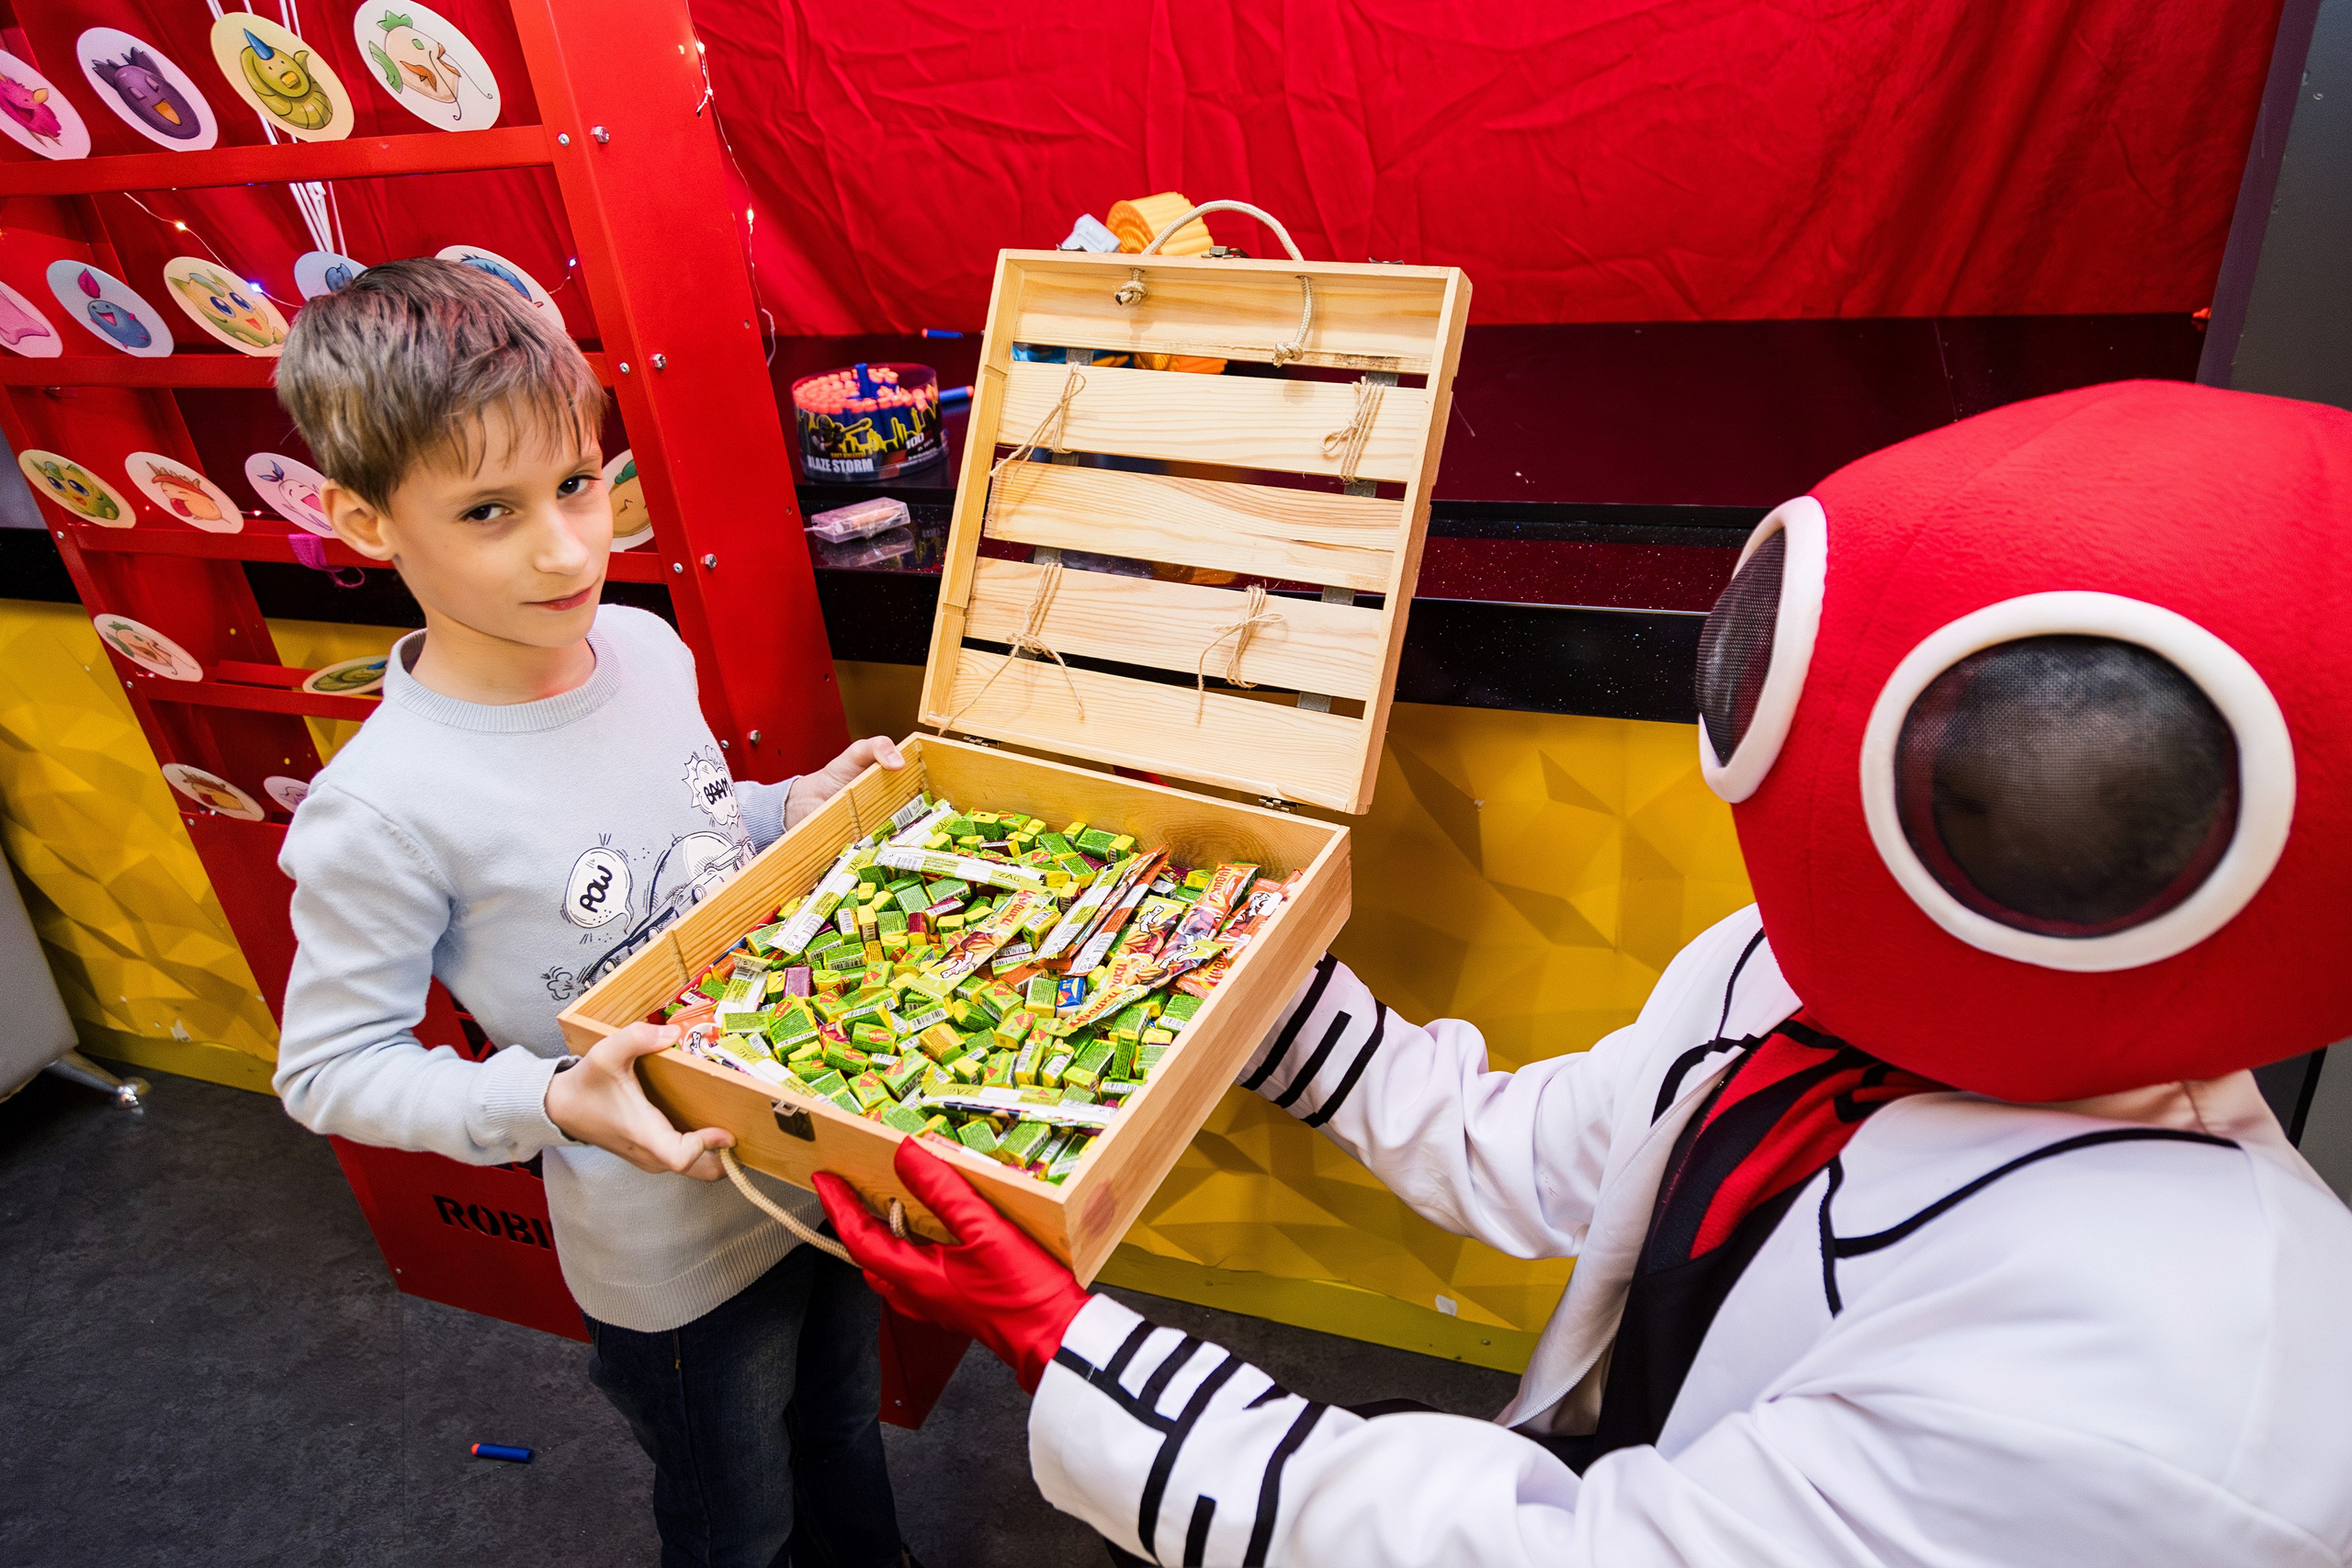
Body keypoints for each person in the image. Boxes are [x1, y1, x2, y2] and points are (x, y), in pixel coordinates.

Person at [816, 379, 2352, 1566]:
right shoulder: (1787, 983)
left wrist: (1076, 1347)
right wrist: (1225, 968)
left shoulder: (2183, 1375)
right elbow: (1542, 1156)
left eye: (2045, 782)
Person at [271, 257, 916, 1568]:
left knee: (846, 1430)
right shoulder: (381, 807)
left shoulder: (643, 647)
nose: (567, 547)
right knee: (737, 1517)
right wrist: (553, 1101)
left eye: (576, 484)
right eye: (489, 511)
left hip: (813, 1153)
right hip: (668, 1248)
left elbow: (689, 838)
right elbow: (329, 1069)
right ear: (364, 520)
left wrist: (794, 807)